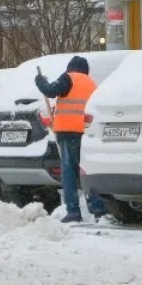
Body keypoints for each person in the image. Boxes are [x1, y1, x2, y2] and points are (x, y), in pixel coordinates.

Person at [36, 56, 106, 224]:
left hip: (67, 132)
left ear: (70, 67)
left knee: (68, 172)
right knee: (86, 171)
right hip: (86, 132)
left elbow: (51, 91)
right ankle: (98, 209)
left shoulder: (68, 77)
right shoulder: (91, 83)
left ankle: (73, 211)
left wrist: (39, 81)